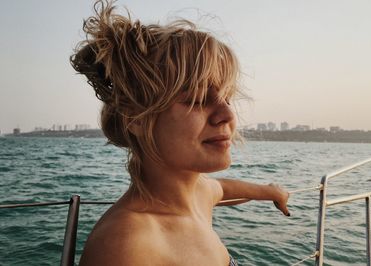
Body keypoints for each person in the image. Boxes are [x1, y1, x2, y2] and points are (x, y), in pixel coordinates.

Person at [71, 1, 290, 265]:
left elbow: (222, 188)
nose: (228, 115)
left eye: (227, 97)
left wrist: (270, 192)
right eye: (197, 99)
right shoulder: (128, 246)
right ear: (136, 118)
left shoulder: (197, 194)